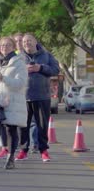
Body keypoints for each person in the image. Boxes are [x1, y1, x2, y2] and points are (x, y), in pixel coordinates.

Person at [16, 33, 59, 162]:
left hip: (42, 96)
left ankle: (43, 151)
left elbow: (56, 69)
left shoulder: (46, 55)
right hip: (23, 97)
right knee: (23, 125)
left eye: (29, 41)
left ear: (35, 41)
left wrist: (40, 68)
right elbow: (10, 73)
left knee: (42, 125)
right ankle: (23, 150)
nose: (26, 43)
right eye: (24, 42)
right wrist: (24, 69)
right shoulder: (18, 57)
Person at [0, 37, 28, 169]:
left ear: (14, 47)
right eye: (2, 45)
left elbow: (20, 84)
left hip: (12, 101)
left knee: (11, 129)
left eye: (8, 45)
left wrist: (3, 78)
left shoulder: (19, 63)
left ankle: (10, 158)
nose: (4, 47)